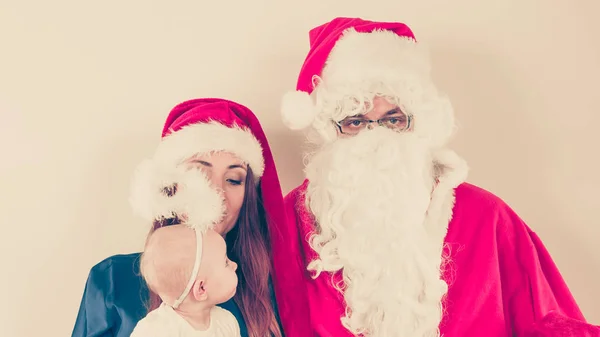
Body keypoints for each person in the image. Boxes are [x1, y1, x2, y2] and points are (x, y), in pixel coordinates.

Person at [279, 17, 600, 336]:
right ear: (329, 131)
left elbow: (549, 324)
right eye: (355, 122)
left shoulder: (487, 218)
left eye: (393, 120)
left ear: (416, 124)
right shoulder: (287, 224)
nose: (375, 139)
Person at [72, 98, 312, 337]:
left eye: (233, 180)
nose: (218, 194)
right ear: (170, 186)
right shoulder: (111, 280)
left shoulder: (273, 288)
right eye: (199, 173)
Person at [131, 225, 241, 337]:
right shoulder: (156, 330)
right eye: (226, 262)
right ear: (201, 289)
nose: (235, 265)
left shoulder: (226, 322)